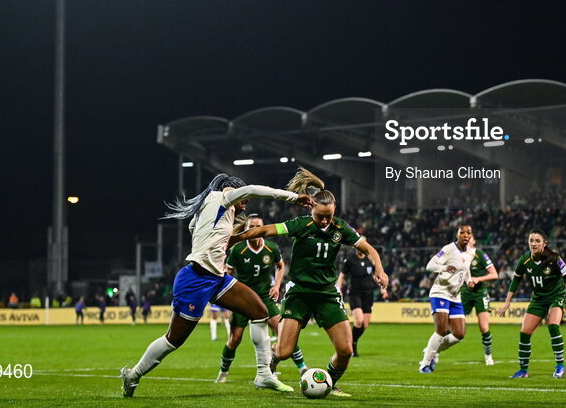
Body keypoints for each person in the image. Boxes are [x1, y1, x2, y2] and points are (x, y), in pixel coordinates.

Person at [120, 173, 313, 397]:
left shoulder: (215, 208)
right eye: (244, 200)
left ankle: (263, 375)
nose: (246, 204)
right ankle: (133, 376)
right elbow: (253, 188)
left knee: (259, 311)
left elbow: (193, 225)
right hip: (195, 279)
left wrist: (208, 242)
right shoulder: (222, 198)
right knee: (174, 339)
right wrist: (293, 198)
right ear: (233, 190)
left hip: (218, 279)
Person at [236, 168, 388, 399]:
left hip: (326, 293)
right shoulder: (301, 225)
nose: (325, 220)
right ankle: (271, 365)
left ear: (334, 209)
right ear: (312, 208)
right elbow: (269, 229)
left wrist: (379, 268)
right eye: (321, 216)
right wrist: (236, 238)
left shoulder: (341, 228)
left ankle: (329, 382)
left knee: (346, 350)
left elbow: (369, 249)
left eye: (329, 215)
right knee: (285, 351)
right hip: (299, 293)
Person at [216, 215, 308, 382]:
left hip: (265, 297)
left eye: (259, 225)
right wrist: (230, 300)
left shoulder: (271, 248)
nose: (255, 229)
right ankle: (223, 371)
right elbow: (227, 274)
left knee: (282, 331)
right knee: (234, 339)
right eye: (252, 226)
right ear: (246, 229)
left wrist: (276, 286)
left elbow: (280, 266)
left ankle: (302, 368)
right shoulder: (238, 250)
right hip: (242, 300)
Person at [496, 229, 566, 379]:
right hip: (538, 299)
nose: (533, 243)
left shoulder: (554, 259)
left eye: (537, 241)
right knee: (524, 333)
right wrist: (507, 302)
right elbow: (516, 280)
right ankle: (523, 370)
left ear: (544, 243)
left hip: (556, 297)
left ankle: (560, 366)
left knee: (553, 325)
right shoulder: (524, 260)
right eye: (531, 240)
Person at [418, 224, 475, 373]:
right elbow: (430, 265)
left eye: (468, 233)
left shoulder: (471, 252)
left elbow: (466, 268)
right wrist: (443, 268)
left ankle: (432, 350)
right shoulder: (449, 249)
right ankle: (424, 364)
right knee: (442, 330)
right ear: (457, 234)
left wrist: (469, 280)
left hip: (456, 296)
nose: (465, 235)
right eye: (462, 232)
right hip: (440, 292)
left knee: (459, 334)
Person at [338, 247, 389, 358]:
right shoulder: (351, 260)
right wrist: (339, 289)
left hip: (368, 294)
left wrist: (383, 288)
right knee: (359, 321)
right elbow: (342, 275)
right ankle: (352, 346)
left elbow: (376, 275)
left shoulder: (370, 260)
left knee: (365, 324)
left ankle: (352, 342)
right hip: (355, 293)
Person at [459, 229, 499, 365]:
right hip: (464, 293)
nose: (467, 240)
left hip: (480, 293)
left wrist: (478, 279)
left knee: (483, 326)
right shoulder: (459, 256)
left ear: (474, 241)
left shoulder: (480, 255)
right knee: (454, 326)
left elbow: (494, 274)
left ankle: (488, 355)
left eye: (469, 238)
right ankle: (435, 352)